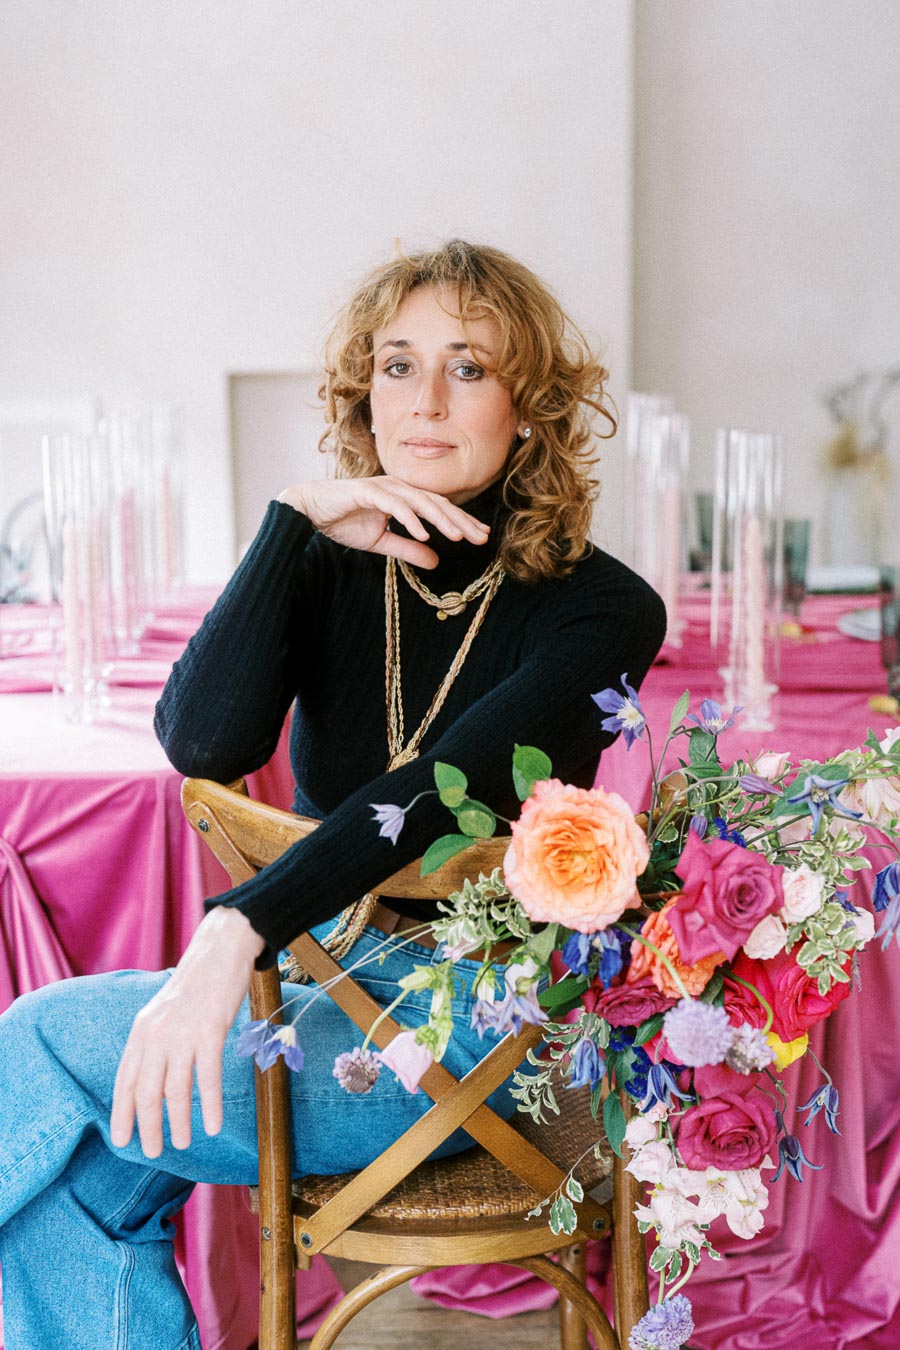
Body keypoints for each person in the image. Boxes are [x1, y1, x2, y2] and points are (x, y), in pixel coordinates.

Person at [0, 239, 666, 1348]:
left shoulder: (604, 611)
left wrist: (234, 930)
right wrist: (289, 526)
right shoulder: (332, 556)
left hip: (473, 1034)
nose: (425, 399)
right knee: (79, 1182)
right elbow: (203, 742)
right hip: (315, 992)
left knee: (38, 1043)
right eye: (398, 365)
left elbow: (433, 797)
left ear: (530, 409)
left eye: (468, 367)